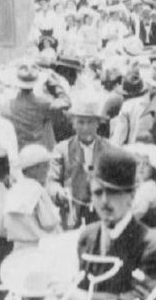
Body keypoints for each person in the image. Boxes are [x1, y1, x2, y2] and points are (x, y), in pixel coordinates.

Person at [67, 147, 156, 300]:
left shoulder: (151, 244)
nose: (104, 201)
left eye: (114, 193)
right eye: (98, 193)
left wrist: (84, 298)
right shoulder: (87, 237)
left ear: (131, 196)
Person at [48, 91, 113, 229]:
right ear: (73, 124)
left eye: (90, 122)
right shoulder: (62, 149)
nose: (86, 128)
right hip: (72, 213)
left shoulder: (110, 150)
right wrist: (59, 192)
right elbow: (52, 181)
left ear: (98, 124)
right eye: (81, 122)